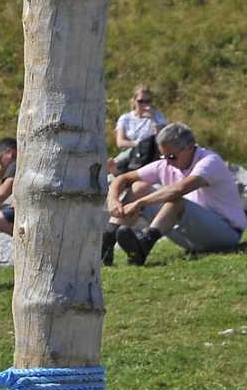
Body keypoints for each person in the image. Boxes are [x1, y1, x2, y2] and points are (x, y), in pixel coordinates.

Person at [105, 122, 245, 265]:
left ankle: (144, 246)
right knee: (139, 187)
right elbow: (124, 178)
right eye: (162, 156)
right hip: (193, 236)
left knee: (176, 200)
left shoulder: (209, 161)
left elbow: (179, 189)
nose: (167, 161)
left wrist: (139, 203)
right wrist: (113, 199)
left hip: (226, 235)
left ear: (190, 147)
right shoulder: (167, 163)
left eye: (171, 156)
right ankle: (107, 242)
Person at [112, 85, 167, 173]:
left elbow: (161, 139)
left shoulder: (158, 117)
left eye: (147, 101)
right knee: (130, 153)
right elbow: (120, 142)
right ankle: (115, 168)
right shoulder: (126, 118)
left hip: (150, 153)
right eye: (140, 101)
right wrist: (139, 145)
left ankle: (116, 168)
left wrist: (153, 120)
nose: (144, 105)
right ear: (134, 101)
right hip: (131, 150)